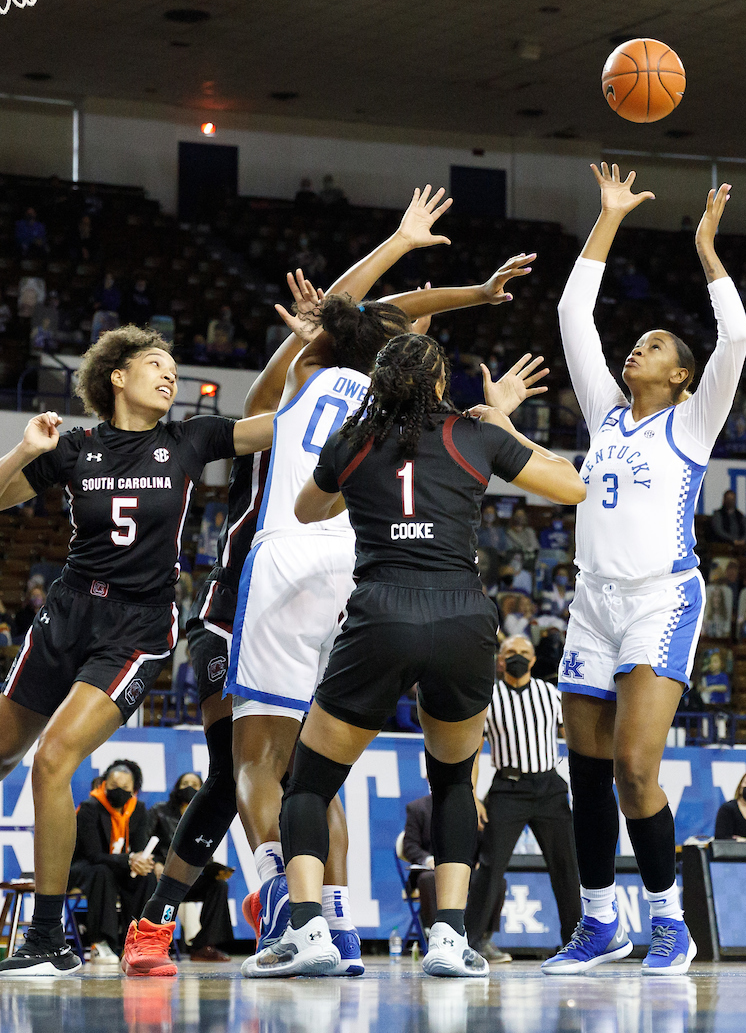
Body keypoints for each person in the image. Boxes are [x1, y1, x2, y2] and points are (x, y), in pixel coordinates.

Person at [124, 199, 538, 976]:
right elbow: (387, 320)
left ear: (317, 340)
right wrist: (471, 295)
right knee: (309, 769)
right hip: (361, 577)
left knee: (255, 764)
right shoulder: (388, 411)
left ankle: (285, 910)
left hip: (265, 580)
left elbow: (363, 317)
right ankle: (321, 922)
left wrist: (399, 254)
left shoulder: (288, 392)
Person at [0, 325, 276, 976]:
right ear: (115, 376)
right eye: (155, 364)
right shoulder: (76, 447)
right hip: (66, 614)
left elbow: (278, 424)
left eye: (172, 367)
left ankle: (46, 936)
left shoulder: (191, 438)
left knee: (55, 759)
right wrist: (22, 450)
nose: (169, 375)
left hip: (137, 630)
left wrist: (340, 356)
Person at [242, 331, 584, 978]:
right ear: (438, 384)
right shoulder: (473, 435)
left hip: (381, 617)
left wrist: (357, 478)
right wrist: (501, 418)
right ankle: (450, 938)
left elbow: (308, 507)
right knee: (453, 781)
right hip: (461, 617)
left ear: (378, 385)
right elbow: (571, 486)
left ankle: (309, 929)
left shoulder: (354, 440)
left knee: (308, 784)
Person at [546, 164, 746, 978]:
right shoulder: (603, 413)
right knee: (587, 777)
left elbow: (733, 338)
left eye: (658, 346)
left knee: (636, 766)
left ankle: (671, 920)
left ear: (681, 378)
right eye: (640, 342)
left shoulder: (694, 425)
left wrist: (704, 247)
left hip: (663, 599)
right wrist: (607, 219)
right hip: (592, 600)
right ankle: (602, 923)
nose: (640, 347)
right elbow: (572, 312)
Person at [465, 637, 580, 960]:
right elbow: (473, 749)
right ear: (500, 660)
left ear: (533, 661)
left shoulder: (550, 694)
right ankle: (471, 941)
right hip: (508, 787)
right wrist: (473, 795)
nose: (517, 658)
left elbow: (573, 735)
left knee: (566, 866)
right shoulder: (488, 696)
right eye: (511, 653)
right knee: (489, 866)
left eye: (524, 654)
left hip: (549, 787)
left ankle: (574, 940)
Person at [70, 759, 155, 964]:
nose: (120, 791)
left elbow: (139, 847)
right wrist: (129, 859)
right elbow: (92, 854)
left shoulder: (139, 809)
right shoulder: (89, 808)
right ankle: (100, 942)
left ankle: (137, 941)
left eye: (125, 788)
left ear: (134, 789)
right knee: (101, 872)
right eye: (114, 786)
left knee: (146, 877)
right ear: (104, 784)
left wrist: (140, 861)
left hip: (121, 865)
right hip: (84, 867)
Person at [145, 773, 234, 962]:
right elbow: (144, 843)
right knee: (148, 881)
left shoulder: (206, 817)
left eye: (194, 784)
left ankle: (203, 946)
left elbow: (205, 851)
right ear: (176, 788)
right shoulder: (159, 811)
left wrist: (214, 869)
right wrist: (156, 863)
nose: (189, 787)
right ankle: (152, 942)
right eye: (185, 783)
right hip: (161, 873)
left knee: (218, 886)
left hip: (190, 876)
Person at [402, 791, 438, 932]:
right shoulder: (417, 808)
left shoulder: (473, 808)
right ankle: (435, 932)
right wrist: (428, 860)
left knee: (493, 879)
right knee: (429, 878)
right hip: (430, 872)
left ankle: (482, 938)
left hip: (462, 870)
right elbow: (409, 846)